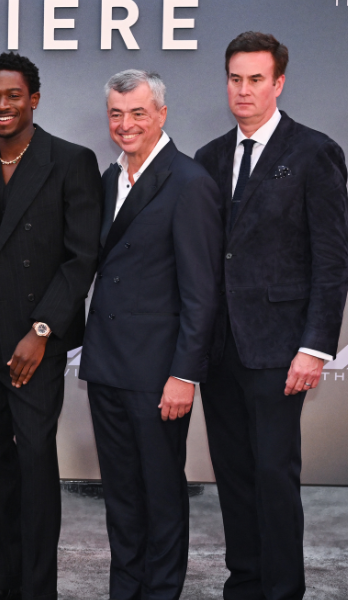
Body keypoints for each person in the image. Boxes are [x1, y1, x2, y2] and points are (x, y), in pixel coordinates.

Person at [0, 52, 104, 600]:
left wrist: (43, 330)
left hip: (33, 347)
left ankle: (37, 590)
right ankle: (1, 581)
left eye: (13, 95)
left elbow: (81, 258)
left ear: (34, 99)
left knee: (34, 468)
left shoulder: (70, 161)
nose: (2, 105)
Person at [194, 32, 348, 600]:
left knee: (274, 475)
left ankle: (282, 590)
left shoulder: (313, 152)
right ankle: (245, 583)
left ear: (278, 83)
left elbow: (332, 259)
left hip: (281, 349)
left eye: (256, 79)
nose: (244, 90)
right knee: (233, 474)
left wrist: (315, 347)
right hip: (219, 350)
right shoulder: (209, 157)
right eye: (235, 79)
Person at [78, 70, 222, 600]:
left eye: (138, 112)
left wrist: (184, 374)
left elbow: (202, 292)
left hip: (159, 374)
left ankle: (160, 592)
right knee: (120, 495)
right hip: (107, 365)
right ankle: (126, 589)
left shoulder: (189, 182)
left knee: (160, 495)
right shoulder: (109, 178)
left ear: (161, 114)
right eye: (116, 114)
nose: (126, 124)